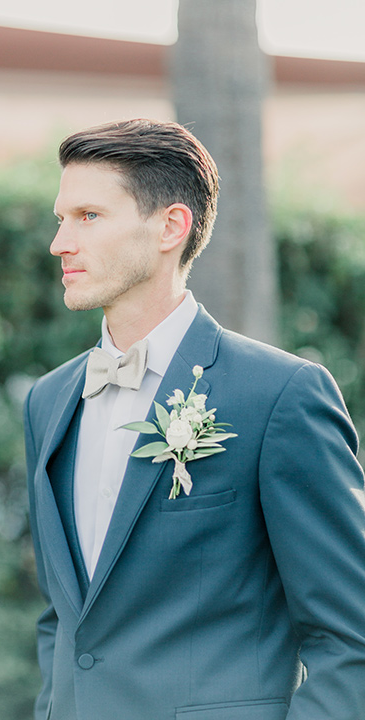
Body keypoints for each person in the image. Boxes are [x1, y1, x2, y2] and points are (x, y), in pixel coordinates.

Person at [23, 118, 365, 720]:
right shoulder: (48, 402)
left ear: (170, 227)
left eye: (89, 217)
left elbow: (350, 637)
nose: (60, 243)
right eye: (61, 218)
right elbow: (64, 618)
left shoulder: (280, 395)